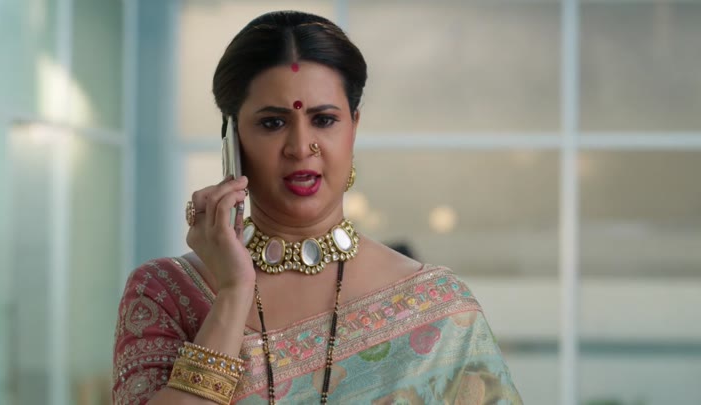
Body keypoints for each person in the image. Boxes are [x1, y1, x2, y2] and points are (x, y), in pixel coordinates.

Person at [112, 10, 522, 405]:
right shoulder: (164, 294)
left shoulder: (437, 307)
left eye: (324, 120)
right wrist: (234, 293)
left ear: (354, 127)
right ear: (232, 139)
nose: (300, 147)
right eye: (273, 123)